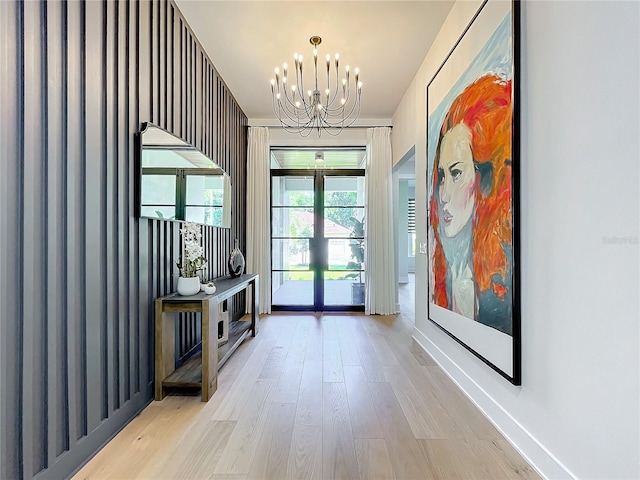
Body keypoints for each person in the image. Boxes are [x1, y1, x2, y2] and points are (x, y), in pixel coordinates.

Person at [429, 73, 513, 335]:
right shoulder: (446, 276)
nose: (442, 195)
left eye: (456, 173)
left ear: (485, 179)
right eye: (442, 176)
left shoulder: (502, 283)